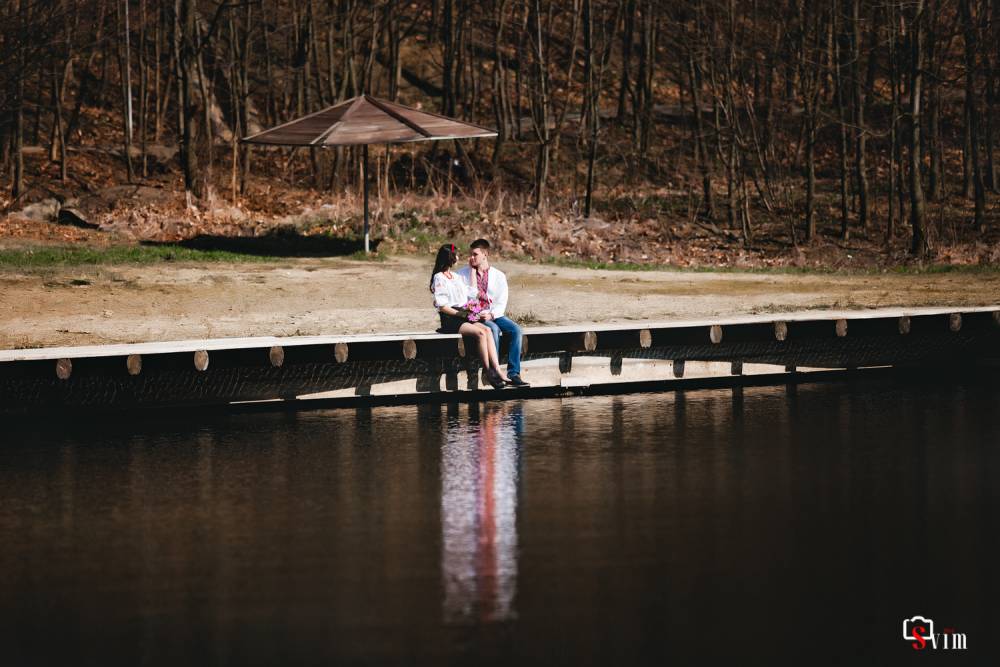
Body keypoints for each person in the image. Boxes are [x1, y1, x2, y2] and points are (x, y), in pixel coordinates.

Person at [430, 243, 510, 390]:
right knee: (480, 333)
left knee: (487, 330)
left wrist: (480, 296)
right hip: (451, 317)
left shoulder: (455, 276)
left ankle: (497, 370)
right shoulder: (439, 277)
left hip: (463, 314)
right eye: (456, 254)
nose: (459, 257)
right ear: (450, 257)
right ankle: (488, 371)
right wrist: (461, 313)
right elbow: (442, 306)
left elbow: (468, 291)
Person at [456, 239, 530, 387]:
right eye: (470, 254)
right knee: (493, 329)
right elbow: (461, 298)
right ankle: (492, 372)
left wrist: (491, 315)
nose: (471, 257)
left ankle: (513, 373)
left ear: (485, 254)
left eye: (475, 254)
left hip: (494, 314)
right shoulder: (462, 274)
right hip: (475, 316)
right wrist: (474, 312)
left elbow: (502, 300)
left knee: (516, 330)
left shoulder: (498, 275)